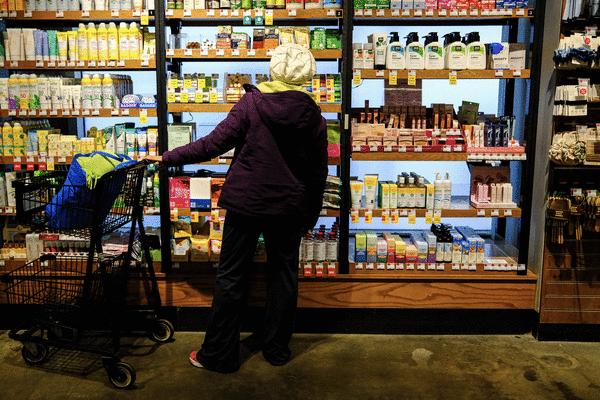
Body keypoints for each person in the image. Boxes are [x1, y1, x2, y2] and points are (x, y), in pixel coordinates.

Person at [146, 43, 328, 373]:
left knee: (231, 276)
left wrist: (168, 157)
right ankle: (276, 350)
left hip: (246, 201)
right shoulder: (314, 116)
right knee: (284, 276)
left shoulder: (251, 103)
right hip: (289, 207)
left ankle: (219, 354)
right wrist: (311, 214)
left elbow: (213, 143)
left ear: (273, 68)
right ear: (307, 75)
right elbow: (318, 172)